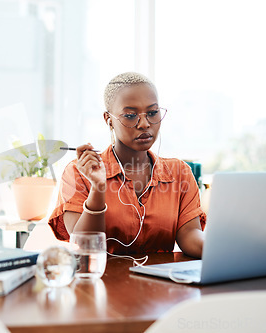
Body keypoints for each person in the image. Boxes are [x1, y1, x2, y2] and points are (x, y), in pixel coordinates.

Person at [48, 72, 205, 258]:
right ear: (109, 120)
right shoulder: (78, 173)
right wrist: (98, 189)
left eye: (153, 113)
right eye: (130, 116)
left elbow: (189, 235)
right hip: (102, 284)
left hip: (162, 285)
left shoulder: (180, 173)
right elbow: (83, 248)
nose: (145, 124)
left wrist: (225, 248)